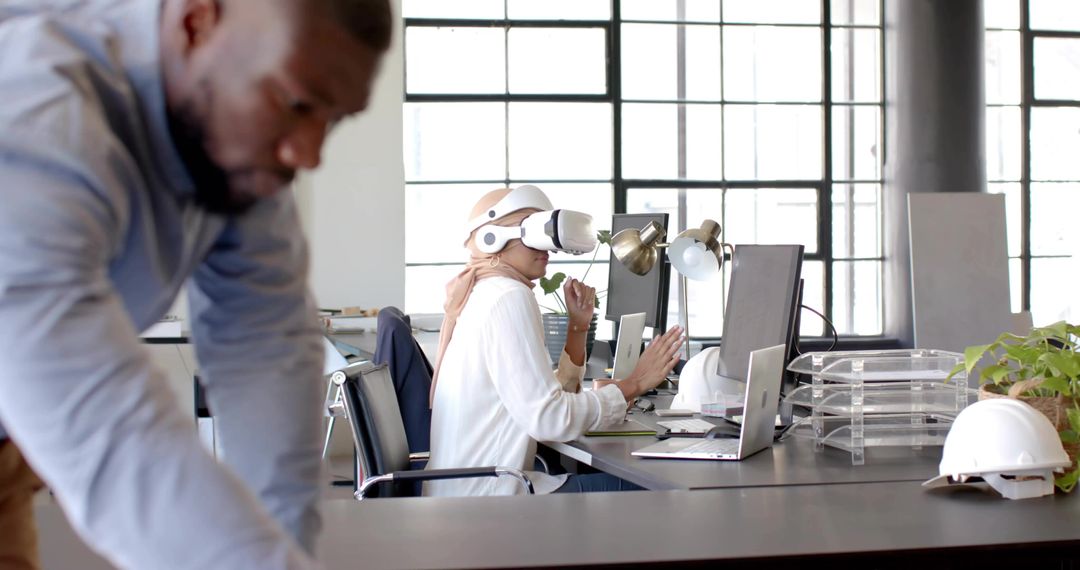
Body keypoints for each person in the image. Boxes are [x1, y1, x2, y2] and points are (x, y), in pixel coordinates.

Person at [0, 0, 390, 567]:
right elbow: (108, 438)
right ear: (194, 23)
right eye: (295, 102)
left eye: (332, 119)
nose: (306, 153)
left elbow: (265, 352)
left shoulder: (237, 150)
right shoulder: (35, 108)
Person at [424, 187, 684, 496]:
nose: (545, 246)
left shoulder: (485, 291)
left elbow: (541, 400)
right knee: (662, 488)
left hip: (469, 492)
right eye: (531, 231)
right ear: (491, 238)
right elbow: (548, 419)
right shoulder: (508, 296)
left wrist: (577, 328)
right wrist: (635, 383)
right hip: (491, 501)